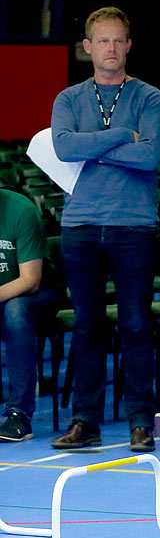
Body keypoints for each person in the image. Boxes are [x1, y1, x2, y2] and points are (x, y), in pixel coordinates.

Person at [49, 7, 160, 453]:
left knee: (136, 326)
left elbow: (149, 157)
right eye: (103, 41)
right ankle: (86, 423)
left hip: (133, 226)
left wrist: (92, 148)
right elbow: (62, 147)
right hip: (80, 226)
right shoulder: (68, 99)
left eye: (119, 40)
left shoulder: (150, 98)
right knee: (87, 328)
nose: (111, 48)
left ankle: (140, 421)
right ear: (88, 48)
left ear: (129, 45)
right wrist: (121, 136)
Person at [0, 189, 51, 442]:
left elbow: (30, 281)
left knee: (15, 311)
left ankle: (19, 415)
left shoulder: (21, 211)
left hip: (37, 294)